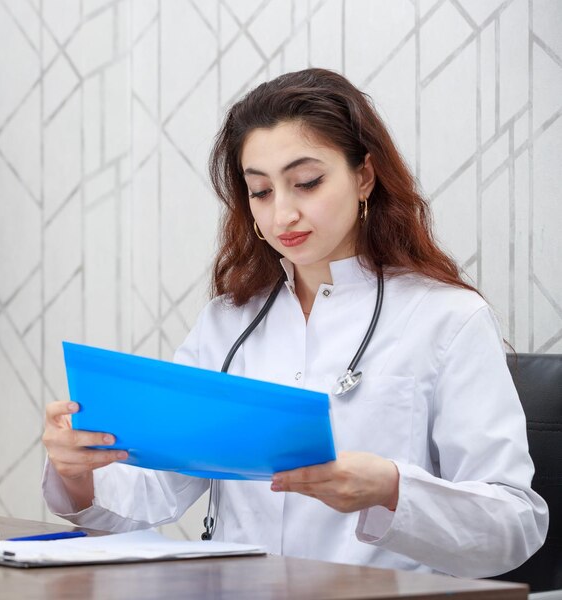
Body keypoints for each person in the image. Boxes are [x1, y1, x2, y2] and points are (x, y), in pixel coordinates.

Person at [41, 68, 548, 577]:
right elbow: (156, 489)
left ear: (364, 176)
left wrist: (391, 488)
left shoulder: (447, 318)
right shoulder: (228, 322)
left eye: (306, 182)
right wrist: (78, 469)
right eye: (260, 191)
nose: (283, 214)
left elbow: (513, 526)